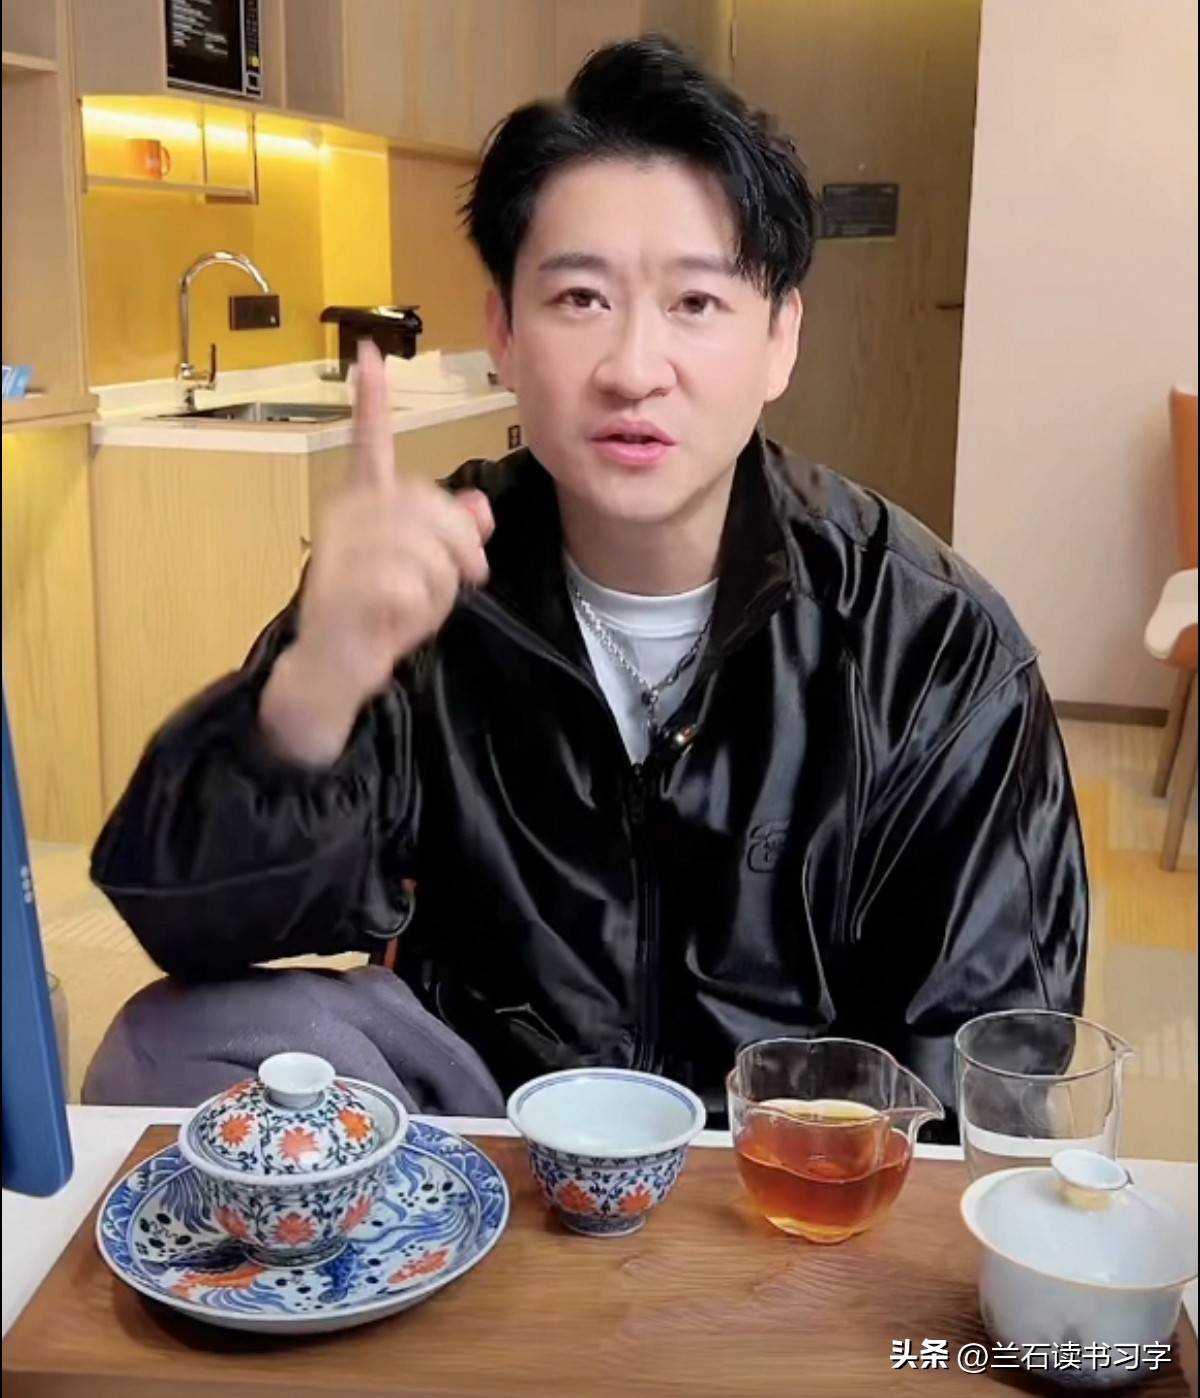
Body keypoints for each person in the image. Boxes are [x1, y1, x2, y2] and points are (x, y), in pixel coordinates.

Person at [85, 36, 1087, 1134]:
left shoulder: (933, 642)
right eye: (579, 298)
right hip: (493, 1139)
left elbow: (998, 1059)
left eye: (695, 303)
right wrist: (317, 685)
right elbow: (188, 920)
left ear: (780, 338)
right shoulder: (428, 584)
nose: (633, 368)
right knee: (167, 1040)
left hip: (788, 1165)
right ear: (504, 334)